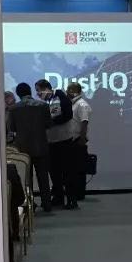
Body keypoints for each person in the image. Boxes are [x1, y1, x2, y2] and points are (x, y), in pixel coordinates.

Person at [8, 83, 53, 211]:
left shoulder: (14, 108)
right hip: (41, 144)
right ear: (30, 91)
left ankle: (30, 205)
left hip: (22, 147)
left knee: (27, 178)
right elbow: (49, 124)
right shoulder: (43, 105)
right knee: (43, 177)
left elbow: (12, 128)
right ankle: (47, 204)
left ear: (18, 94)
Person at [36, 79, 79, 209]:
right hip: (51, 142)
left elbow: (67, 115)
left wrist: (50, 122)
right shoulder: (46, 102)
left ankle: (71, 199)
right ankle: (58, 197)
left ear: (46, 89)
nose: (38, 94)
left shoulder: (61, 97)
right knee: (54, 172)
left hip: (64, 140)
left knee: (67, 172)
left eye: (39, 91)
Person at [68, 82, 92, 201]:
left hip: (78, 140)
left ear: (73, 91)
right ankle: (75, 192)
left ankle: (79, 193)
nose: (66, 92)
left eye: (68, 89)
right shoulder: (74, 104)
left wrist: (82, 139)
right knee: (74, 168)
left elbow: (84, 122)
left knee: (79, 169)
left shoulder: (82, 104)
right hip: (72, 140)